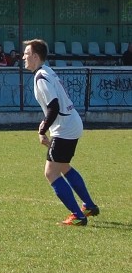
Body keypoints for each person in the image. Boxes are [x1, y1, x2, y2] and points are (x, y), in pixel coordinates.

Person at [22, 39, 99, 226]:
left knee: (50, 173)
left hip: (64, 128)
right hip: (71, 123)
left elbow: (54, 106)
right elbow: (54, 106)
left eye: (26, 53)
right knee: (63, 166)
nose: (23, 57)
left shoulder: (41, 77)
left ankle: (78, 216)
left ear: (35, 56)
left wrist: (42, 129)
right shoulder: (47, 71)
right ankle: (88, 206)